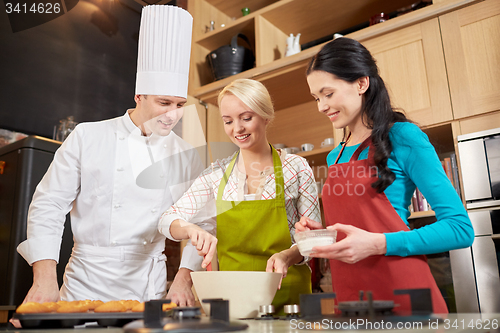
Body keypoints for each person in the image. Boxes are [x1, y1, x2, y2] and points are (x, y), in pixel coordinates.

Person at [17, 5, 215, 306]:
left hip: (148, 287)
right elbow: (49, 205)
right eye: (164, 103)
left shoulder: (186, 154)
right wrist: (44, 279)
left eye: (179, 104)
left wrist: (184, 279)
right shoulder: (88, 136)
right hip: (85, 283)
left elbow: (204, 222)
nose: (173, 115)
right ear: (139, 96)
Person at [296, 37, 474, 314]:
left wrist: (379, 243)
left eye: (328, 94)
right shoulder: (336, 156)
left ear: (361, 83)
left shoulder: (403, 137)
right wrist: (320, 234)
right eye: (316, 98)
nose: (321, 106)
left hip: (403, 295)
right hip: (352, 299)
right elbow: (353, 228)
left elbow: (460, 229)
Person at [159, 79, 321, 314]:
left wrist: (288, 256)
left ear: (266, 116)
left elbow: (314, 240)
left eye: (246, 118)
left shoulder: (296, 168)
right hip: (232, 302)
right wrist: (190, 230)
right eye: (228, 121)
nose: (237, 129)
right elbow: (167, 220)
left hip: (289, 297)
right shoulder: (217, 175)